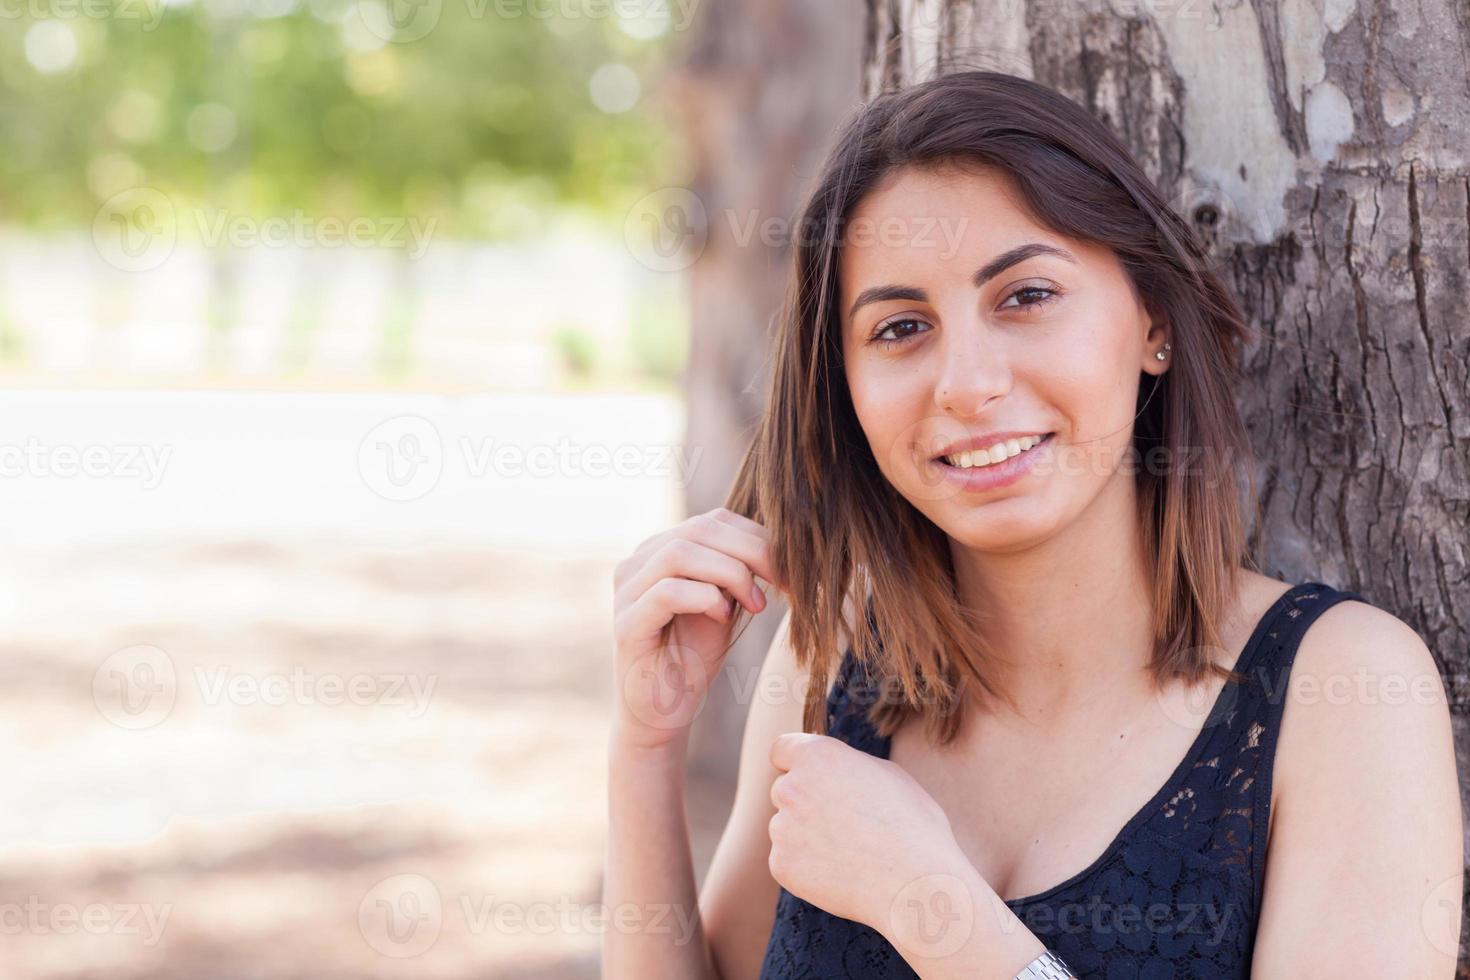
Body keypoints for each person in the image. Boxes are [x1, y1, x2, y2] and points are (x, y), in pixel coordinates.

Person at [604, 70, 1463, 979]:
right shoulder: (833, 663)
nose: (967, 384)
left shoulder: (1345, 690)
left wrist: (930, 906)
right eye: (900, 327)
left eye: (1026, 297)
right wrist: (644, 746)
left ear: (1154, 322)